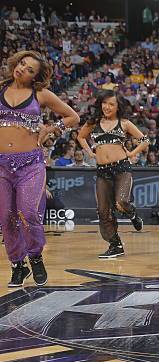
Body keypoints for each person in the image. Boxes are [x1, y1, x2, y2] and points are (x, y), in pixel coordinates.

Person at [0, 50, 79, 287]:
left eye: (30, 69)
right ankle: (18, 264)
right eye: (22, 63)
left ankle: (35, 256)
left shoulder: (41, 94)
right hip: (1, 164)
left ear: (35, 77)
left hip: (31, 164)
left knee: (29, 213)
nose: (22, 68)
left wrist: (51, 128)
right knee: (6, 218)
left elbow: (72, 117)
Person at [77, 90, 149, 258]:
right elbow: (81, 137)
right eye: (104, 103)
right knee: (103, 211)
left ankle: (132, 214)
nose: (107, 107)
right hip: (102, 171)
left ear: (118, 107)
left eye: (111, 104)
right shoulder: (93, 122)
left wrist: (132, 153)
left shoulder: (124, 123)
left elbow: (145, 140)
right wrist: (90, 152)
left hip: (122, 168)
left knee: (122, 201)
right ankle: (115, 245)